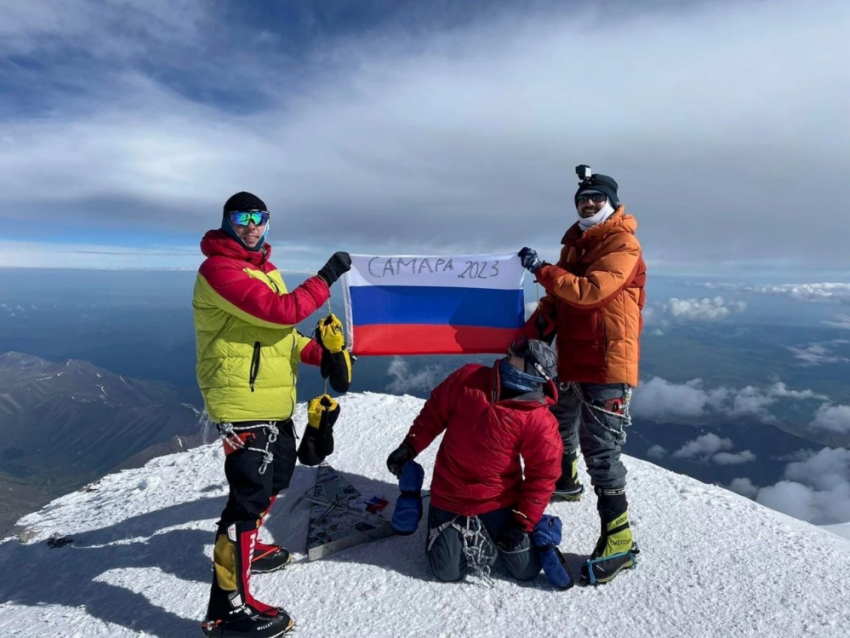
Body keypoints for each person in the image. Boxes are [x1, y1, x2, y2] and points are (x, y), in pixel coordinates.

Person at [194, 191, 352, 637]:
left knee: (274, 481)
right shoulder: (218, 270)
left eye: (259, 217)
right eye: (241, 217)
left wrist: (321, 354)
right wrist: (326, 277)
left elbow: (282, 333)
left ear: (267, 222)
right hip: (242, 404)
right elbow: (281, 310)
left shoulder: (266, 271)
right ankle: (226, 609)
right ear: (226, 221)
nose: (251, 224)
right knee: (244, 503)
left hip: (272, 402)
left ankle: (249, 551)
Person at [518, 165, 646, 584]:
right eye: (582, 199)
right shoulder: (576, 246)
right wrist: (523, 341)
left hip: (608, 363)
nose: (588, 203)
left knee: (602, 451)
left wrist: (542, 271)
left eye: (596, 198)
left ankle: (620, 540)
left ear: (611, 202)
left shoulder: (622, 244)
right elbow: (556, 304)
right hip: (573, 357)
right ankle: (565, 480)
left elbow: (590, 292)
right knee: (558, 425)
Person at [386, 338, 562, 583]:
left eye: (520, 350)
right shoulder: (469, 378)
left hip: (498, 499)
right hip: (449, 493)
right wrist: (409, 446)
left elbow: (543, 476)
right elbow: (435, 412)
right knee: (447, 572)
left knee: (527, 570)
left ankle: (541, 525)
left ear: (531, 371)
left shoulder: (539, 420)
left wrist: (522, 524)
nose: (510, 349)